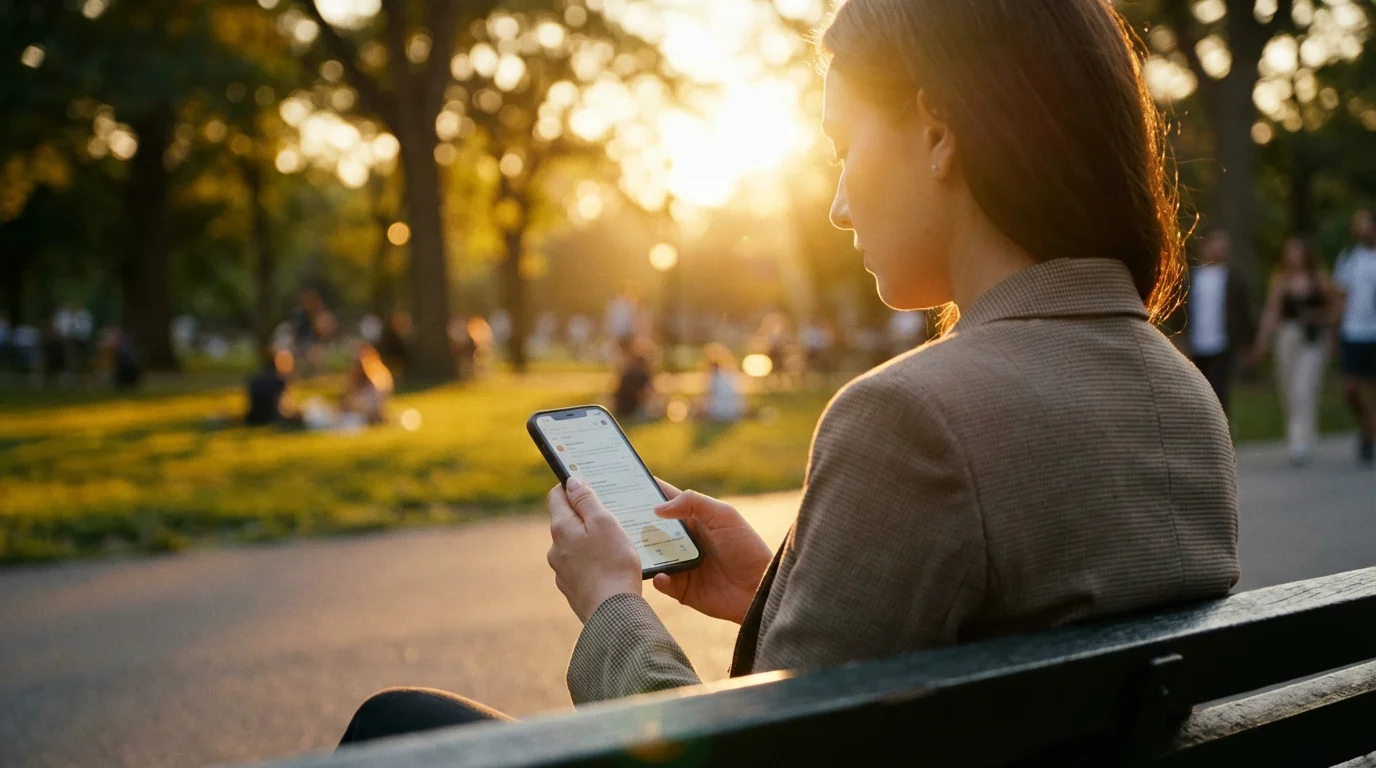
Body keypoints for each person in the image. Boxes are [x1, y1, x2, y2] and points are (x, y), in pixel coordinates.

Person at [337, 0, 1239, 741]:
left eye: (845, 144)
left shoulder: (911, 418)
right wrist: (775, 592)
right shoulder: (1181, 394)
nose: (839, 203)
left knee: (396, 724)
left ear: (937, 134)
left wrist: (612, 605)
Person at [1249, 237, 1338, 465]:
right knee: (1288, 389)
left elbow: (1335, 309)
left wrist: (1319, 319)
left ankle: (1300, 444)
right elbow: (1272, 311)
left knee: (1304, 388)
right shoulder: (1281, 281)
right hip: (1287, 338)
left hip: (1311, 340)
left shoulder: (1319, 280)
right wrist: (1262, 340)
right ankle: (1299, 435)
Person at [1184, 229, 1256, 418]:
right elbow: (1182, 311)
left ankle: (1222, 432)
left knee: (1219, 391)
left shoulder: (1234, 279)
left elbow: (1244, 312)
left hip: (1223, 344)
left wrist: (1249, 344)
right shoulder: (1192, 278)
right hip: (1196, 344)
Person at [1333, 207, 1376, 465]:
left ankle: (1368, 436)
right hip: (1353, 331)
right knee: (1351, 389)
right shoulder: (1349, 257)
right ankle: (1368, 427)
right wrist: (1333, 332)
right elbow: (1341, 296)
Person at [694, 343, 746, 423]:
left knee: (699, 403)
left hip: (718, 412)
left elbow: (708, 395)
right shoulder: (730, 373)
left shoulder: (712, 377)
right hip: (733, 412)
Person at [245, 349, 298, 427]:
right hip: (270, 419)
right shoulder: (279, 382)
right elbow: (280, 410)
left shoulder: (256, 378)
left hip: (253, 419)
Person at [611, 341, 655, 421]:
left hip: (620, 410)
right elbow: (644, 396)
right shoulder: (642, 376)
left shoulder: (626, 374)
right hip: (633, 411)